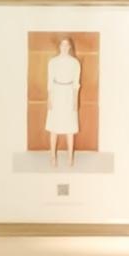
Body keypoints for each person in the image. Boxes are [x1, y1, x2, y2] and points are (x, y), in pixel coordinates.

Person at [45, 35, 83, 169]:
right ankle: (53, 157)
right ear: (59, 47)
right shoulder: (52, 62)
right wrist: (49, 98)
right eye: (62, 45)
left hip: (68, 96)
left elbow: (76, 84)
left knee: (70, 128)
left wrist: (75, 101)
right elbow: (49, 82)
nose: (65, 47)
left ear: (70, 47)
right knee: (54, 127)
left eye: (67, 45)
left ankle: (70, 157)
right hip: (56, 95)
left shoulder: (75, 63)